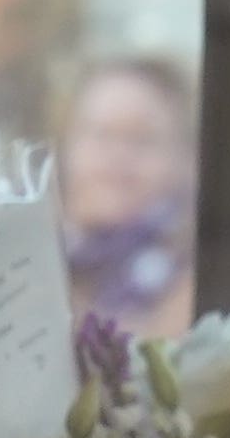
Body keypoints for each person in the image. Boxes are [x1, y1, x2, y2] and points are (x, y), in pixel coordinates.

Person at [57, 51, 201, 339]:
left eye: (142, 138)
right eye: (101, 134)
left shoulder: (193, 278)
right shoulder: (36, 260)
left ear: (185, 158)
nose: (118, 155)